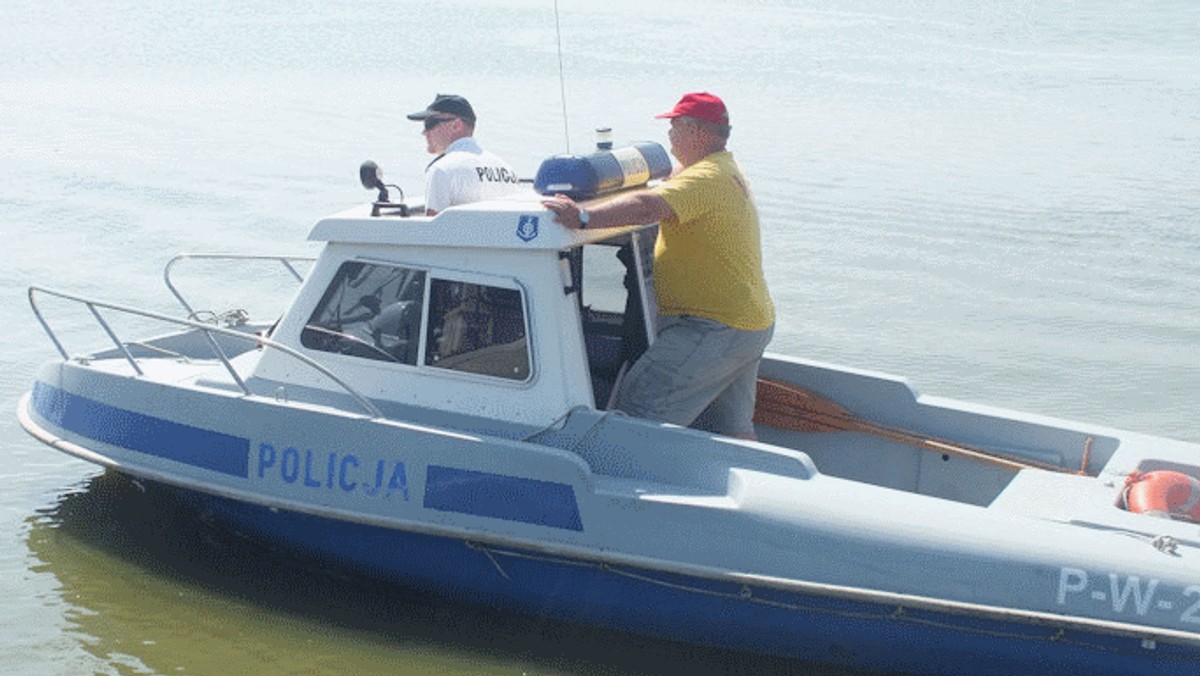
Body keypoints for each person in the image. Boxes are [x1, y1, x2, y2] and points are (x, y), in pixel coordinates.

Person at [541, 92, 775, 440]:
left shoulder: (705, 179)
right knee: (730, 429)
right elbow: (671, 182)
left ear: (695, 132)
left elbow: (648, 207)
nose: (669, 136)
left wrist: (584, 217)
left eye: (674, 127)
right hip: (747, 325)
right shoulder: (722, 169)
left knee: (634, 415)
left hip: (711, 329)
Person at [406, 94, 521, 216]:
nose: (424, 132)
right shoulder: (507, 169)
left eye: (430, 124)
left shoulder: (441, 169)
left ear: (456, 125)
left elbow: (432, 230)